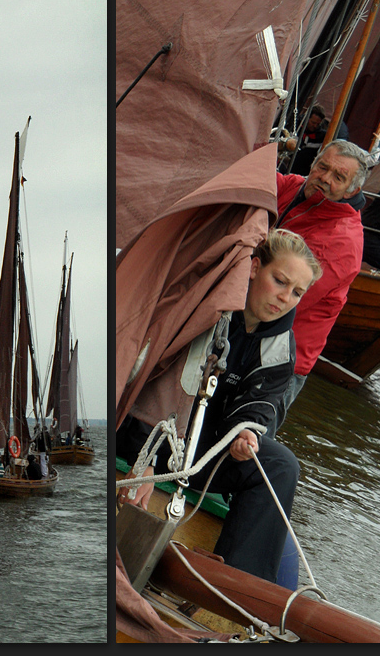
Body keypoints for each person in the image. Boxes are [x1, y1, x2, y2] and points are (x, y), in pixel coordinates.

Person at [115, 229, 322, 583]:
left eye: (297, 292)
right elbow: (154, 385)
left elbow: (260, 403)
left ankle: (235, 590)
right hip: (146, 434)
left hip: (204, 454)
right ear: (254, 267)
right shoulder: (205, 309)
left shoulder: (280, 346)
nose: (285, 297)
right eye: (280, 281)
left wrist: (246, 435)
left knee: (280, 466)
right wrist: (144, 461)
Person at [275, 140, 370, 411]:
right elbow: (260, 183)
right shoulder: (298, 187)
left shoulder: (340, 242)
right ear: (314, 163)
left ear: (353, 190)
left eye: (338, 177)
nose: (324, 178)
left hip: (281, 362)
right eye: (322, 167)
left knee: (242, 444)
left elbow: (283, 295)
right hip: (252, 336)